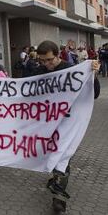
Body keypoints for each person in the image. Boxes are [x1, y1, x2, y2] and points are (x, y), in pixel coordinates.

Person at [32, 40, 100, 213]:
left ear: (58, 55)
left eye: (50, 60)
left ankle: (59, 198)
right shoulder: (39, 71)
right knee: (51, 154)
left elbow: (94, 93)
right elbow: (25, 91)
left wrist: (93, 75)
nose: (46, 64)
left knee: (63, 157)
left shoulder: (71, 69)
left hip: (67, 124)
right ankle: (55, 178)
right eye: (42, 61)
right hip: (47, 125)